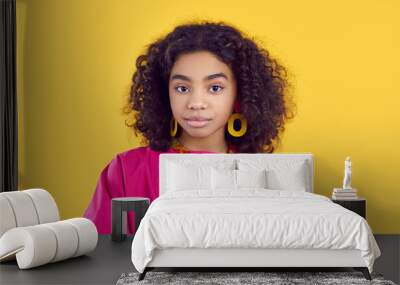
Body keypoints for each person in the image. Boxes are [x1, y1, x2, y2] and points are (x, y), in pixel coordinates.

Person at [84, 20, 296, 234]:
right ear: (164, 93)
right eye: (182, 88)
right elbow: (99, 253)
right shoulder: (125, 170)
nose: (196, 103)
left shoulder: (262, 171)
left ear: (239, 95)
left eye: (214, 88)